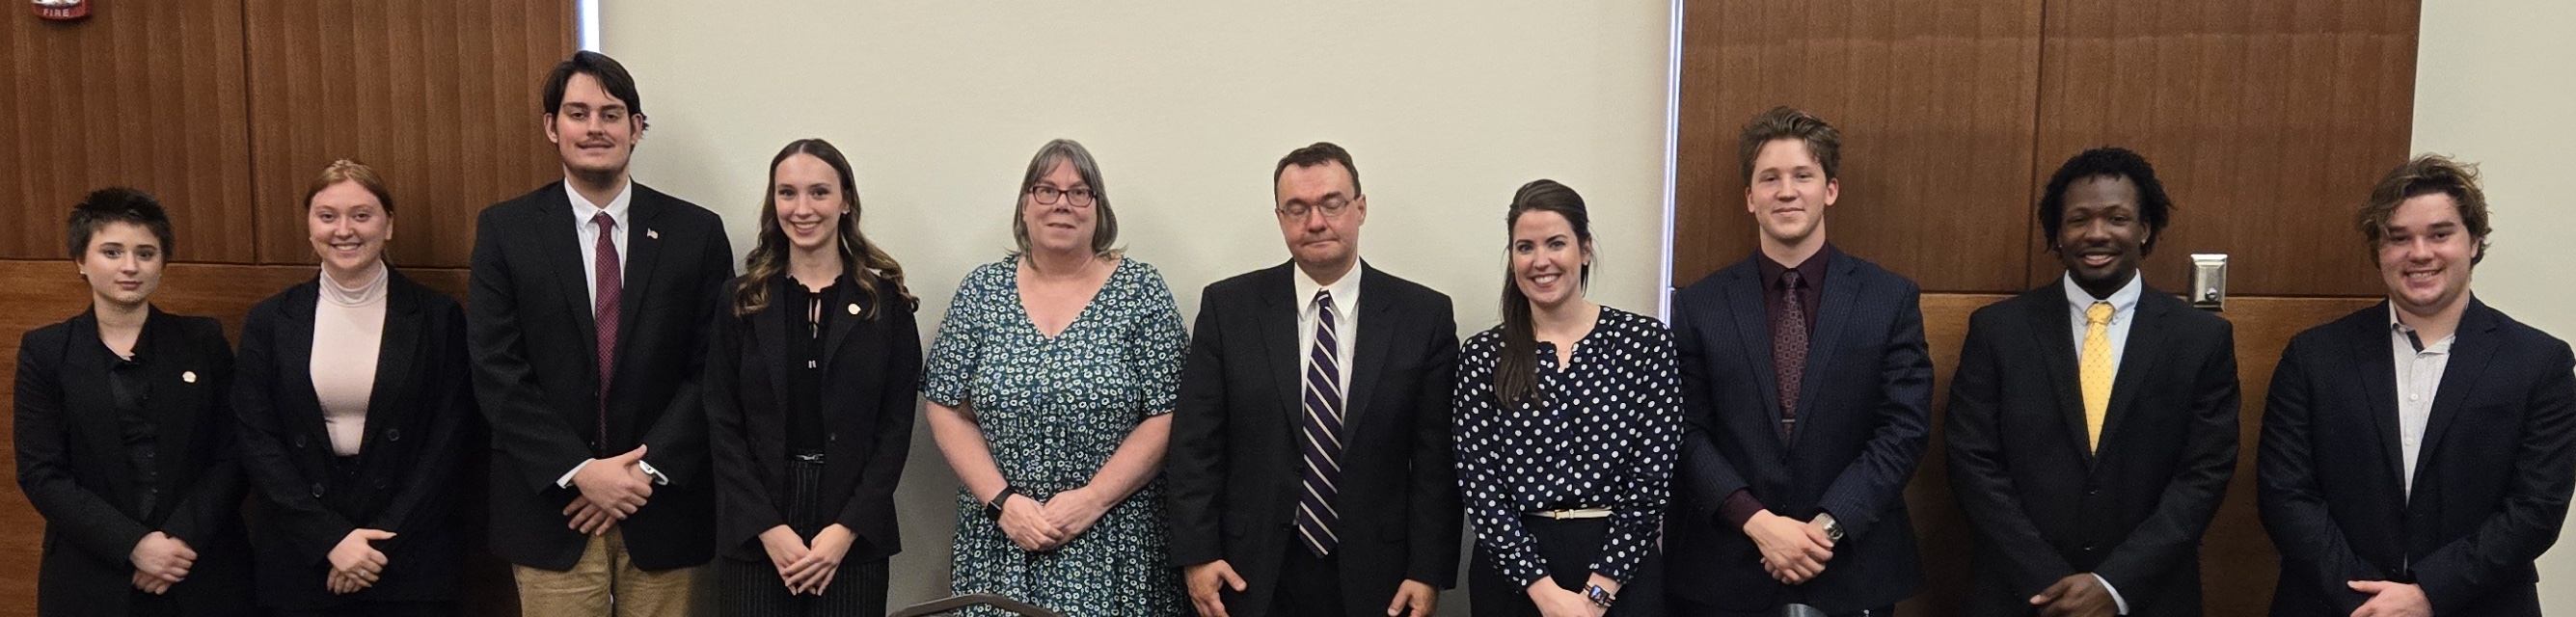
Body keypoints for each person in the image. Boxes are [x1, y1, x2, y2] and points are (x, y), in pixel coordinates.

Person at [468, 50, 733, 616]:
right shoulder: (505, 230)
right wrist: (582, 472)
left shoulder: (697, 233)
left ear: (636, 129)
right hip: (553, 509)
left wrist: (640, 472)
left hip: (662, 506)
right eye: (578, 113)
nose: (594, 128)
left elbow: (712, 368)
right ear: (551, 126)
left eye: (611, 114)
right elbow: (497, 370)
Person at [2257, 154, 2576, 617]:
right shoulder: (2313, 357)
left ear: (2474, 243)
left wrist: (2428, 593)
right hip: (2332, 605)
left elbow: (2536, 509)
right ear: (2378, 250)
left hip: (2480, 604)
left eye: (2440, 234)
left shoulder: (2539, 363)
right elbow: (2286, 493)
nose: (2420, 253)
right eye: (2398, 238)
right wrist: (2366, 600)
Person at [1167, 142, 1462, 617]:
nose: (1316, 222)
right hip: (1249, 572)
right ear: (1280, 217)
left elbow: (1436, 462)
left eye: (1331, 203)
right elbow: (1195, 446)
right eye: (1297, 209)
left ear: (1360, 208)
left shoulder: (1422, 316)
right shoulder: (1230, 309)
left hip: (1381, 577)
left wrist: (1427, 571)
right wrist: (1198, 555)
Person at [1944, 148, 2240, 617]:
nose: (2097, 233)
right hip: (2020, 594)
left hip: (2149, 595)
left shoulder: (2201, 338)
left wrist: (2114, 585)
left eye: (2117, 218)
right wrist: (2048, 581)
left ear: (2145, 230)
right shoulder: (1998, 330)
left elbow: (2203, 475)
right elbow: (1973, 462)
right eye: (2079, 219)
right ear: (2057, 234)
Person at [1666, 106, 1932, 616]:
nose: (1786, 191)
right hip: (1726, 569)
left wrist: (1823, 529)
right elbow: (1685, 431)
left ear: (1830, 189)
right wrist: (1759, 524)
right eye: (1770, 178)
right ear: (1750, 198)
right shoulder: (1699, 305)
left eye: (1802, 176)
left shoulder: (1889, 298)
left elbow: (1903, 429)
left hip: (1851, 562)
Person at [922, 138, 1188, 616]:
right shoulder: (982, 290)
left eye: (1079, 191)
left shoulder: (1141, 290)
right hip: (1001, 539)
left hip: (1115, 541)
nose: (1062, 203)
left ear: (1098, 209)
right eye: (1046, 190)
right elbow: (944, 406)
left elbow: (1169, 412)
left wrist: (1091, 500)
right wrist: (1003, 504)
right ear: (1025, 205)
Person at [233, 160, 475, 616]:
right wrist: (330, 540)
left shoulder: (437, 317)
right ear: (309, 227)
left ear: (388, 226)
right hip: (301, 553)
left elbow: (451, 438)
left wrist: (378, 545)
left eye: (361, 215)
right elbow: (257, 441)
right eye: (328, 216)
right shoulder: (270, 322)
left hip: (409, 553)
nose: (344, 230)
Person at [14, 187, 255, 616]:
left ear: (162, 263)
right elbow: (41, 473)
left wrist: (177, 541)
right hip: (91, 575)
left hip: (200, 568)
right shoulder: (46, 351)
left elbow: (235, 454)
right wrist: (134, 545)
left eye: (146, 253)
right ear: (80, 261)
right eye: (112, 252)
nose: (130, 267)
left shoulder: (202, 341)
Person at [706, 139, 921, 616]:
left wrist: (844, 531)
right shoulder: (740, 301)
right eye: (787, 193)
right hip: (757, 529)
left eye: (819, 193)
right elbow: (721, 422)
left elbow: (894, 430)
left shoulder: (886, 306)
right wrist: (768, 528)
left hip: (851, 529)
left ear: (846, 201)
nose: (802, 209)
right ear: (773, 202)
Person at [1453, 179, 1680, 616]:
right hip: (1514, 578)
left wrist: (1596, 597)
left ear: (1585, 249)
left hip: (1622, 571)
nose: (1541, 261)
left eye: (1556, 243)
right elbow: (1480, 486)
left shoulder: (1644, 342)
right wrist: (1545, 594)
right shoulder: (1484, 355)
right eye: (1525, 247)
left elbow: (1652, 479)